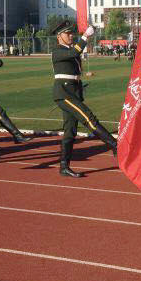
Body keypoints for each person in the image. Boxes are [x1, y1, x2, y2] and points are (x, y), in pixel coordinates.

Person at [50, 20, 117, 178]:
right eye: (67, 33)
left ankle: (64, 166)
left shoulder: (69, 50)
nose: (71, 35)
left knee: (70, 132)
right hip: (64, 94)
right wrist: (86, 36)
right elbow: (74, 53)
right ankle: (114, 145)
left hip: (72, 92)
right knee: (89, 118)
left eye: (71, 33)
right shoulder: (57, 51)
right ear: (59, 36)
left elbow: (74, 66)